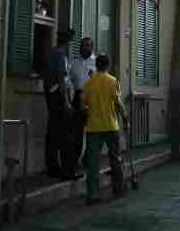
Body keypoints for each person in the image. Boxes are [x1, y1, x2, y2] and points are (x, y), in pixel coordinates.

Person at [82, 54, 126, 205]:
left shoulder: (88, 83)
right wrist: (125, 118)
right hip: (110, 126)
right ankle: (118, 188)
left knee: (93, 163)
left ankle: (92, 194)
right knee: (115, 159)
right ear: (107, 65)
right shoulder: (113, 81)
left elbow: (84, 105)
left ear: (96, 65)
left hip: (93, 127)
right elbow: (118, 103)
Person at [45, 29, 79, 179]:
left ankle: (53, 167)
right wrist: (66, 102)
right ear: (68, 41)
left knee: (53, 132)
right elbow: (61, 79)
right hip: (58, 96)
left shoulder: (52, 52)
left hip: (52, 94)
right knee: (65, 134)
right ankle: (66, 171)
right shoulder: (60, 54)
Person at [64, 36, 97, 176]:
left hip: (92, 100)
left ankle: (87, 160)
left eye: (88, 45)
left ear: (92, 47)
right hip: (77, 99)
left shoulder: (96, 63)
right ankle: (72, 165)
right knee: (76, 136)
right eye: (83, 45)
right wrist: (69, 98)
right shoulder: (74, 63)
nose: (85, 48)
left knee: (93, 135)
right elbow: (67, 81)